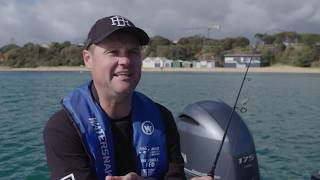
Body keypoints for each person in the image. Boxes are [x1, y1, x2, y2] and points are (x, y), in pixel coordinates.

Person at [44, 15, 213, 180]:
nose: (125, 60)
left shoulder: (162, 118)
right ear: (88, 59)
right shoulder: (63, 129)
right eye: (113, 52)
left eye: (132, 52)